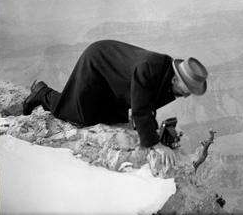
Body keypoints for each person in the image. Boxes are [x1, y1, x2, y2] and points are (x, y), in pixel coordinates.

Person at [22, 40, 209, 167]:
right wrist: (156, 144)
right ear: (177, 80)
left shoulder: (166, 76)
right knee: (78, 114)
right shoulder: (152, 69)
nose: (186, 96)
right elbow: (142, 109)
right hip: (97, 63)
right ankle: (42, 93)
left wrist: (149, 131)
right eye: (187, 90)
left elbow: (145, 104)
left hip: (115, 81)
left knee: (111, 117)